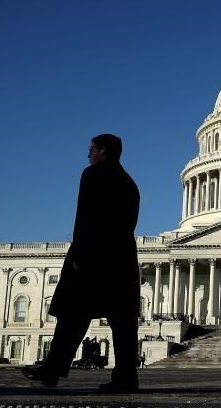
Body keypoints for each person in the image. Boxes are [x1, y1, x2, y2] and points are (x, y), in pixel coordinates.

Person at [23, 134, 141, 392]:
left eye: (91, 149)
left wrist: (78, 255)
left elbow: (85, 217)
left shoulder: (93, 175)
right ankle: (126, 377)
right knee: (122, 323)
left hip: (94, 256)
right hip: (122, 258)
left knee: (72, 317)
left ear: (104, 151)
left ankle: (52, 370)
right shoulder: (130, 184)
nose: (88, 154)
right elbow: (129, 225)